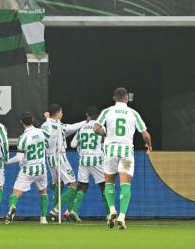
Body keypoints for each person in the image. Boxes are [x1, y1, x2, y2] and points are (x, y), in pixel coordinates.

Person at [94, 87, 152, 230]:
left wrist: (105, 133)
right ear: (126, 98)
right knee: (125, 184)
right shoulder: (133, 113)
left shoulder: (107, 111)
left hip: (110, 152)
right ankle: (122, 216)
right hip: (126, 154)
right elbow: (145, 134)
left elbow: (96, 128)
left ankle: (112, 209)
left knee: (109, 182)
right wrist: (149, 146)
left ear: (114, 98)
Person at [41, 104, 86, 221]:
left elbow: (67, 129)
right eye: (61, 112)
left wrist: (48, 119)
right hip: (59, 156)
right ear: (57, 113)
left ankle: (54, 214)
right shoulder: (56, 126)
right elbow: (71, 127)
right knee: (73, 184)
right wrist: (86, 121)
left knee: (58, 183)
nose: (62, 114)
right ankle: (56, 210)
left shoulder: (45, 125)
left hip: (49, 157)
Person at [4, 111, 49, 225]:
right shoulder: (41, 132)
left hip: (27, 170)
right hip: (41, 169)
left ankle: (12, 208)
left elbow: (19, 158)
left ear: (21, 122)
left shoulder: (23, 138)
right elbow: (50, 135)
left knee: (15, 193)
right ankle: (43, 218)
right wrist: (48, 119)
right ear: (33, 119)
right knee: (43, 192)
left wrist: (6, 162)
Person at [67, 107, 109, 222]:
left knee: (82, 185)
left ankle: (74, 210)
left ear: (87, 115)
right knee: (103, 186)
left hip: (83, 160)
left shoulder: (82, 128)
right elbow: (106, 142)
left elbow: (73, 144)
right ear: (99, 116)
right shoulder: (101, 127)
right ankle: (109, 214)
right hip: (97, 160)